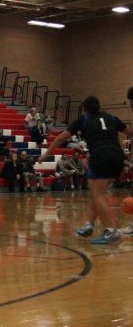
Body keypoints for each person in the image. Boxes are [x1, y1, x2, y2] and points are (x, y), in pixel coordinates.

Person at [38, 95, 133, 244]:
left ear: (84, 109)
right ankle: (89, 224)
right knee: (97, 193)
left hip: (101, 156)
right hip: (118, 157)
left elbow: (61, 138)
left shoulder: (84, 119)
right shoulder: (112, 118)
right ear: (99, 107)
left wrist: (46, 155)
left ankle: (111, 231)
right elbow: (130, 131)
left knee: (97, 194)